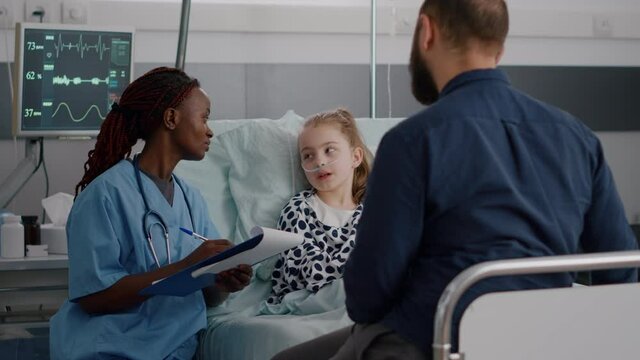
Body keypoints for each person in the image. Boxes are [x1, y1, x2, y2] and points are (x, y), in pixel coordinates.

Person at [273, 0, 638, 359]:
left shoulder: (413, 141)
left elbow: (367, 295)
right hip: (544, 340)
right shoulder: (578, 138)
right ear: (500, 45)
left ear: (427, 32)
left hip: (433, 338)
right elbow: (622, 276)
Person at [49, 67, 253, 360]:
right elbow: (93, 298)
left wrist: (222, 282)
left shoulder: (191, 199)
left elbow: (207, 297)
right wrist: (187, 266)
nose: (210, 129)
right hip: (111, 350)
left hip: (176, 350)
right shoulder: (105, 194)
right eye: (204, 117)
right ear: (171, 118)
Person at [267, 108, 372, 305]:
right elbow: (306, 274)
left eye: (329, 150)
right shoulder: (297, 210)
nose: (319, 161)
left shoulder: (373, 213)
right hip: (304, 302)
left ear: (355, 158)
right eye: (308, 155)